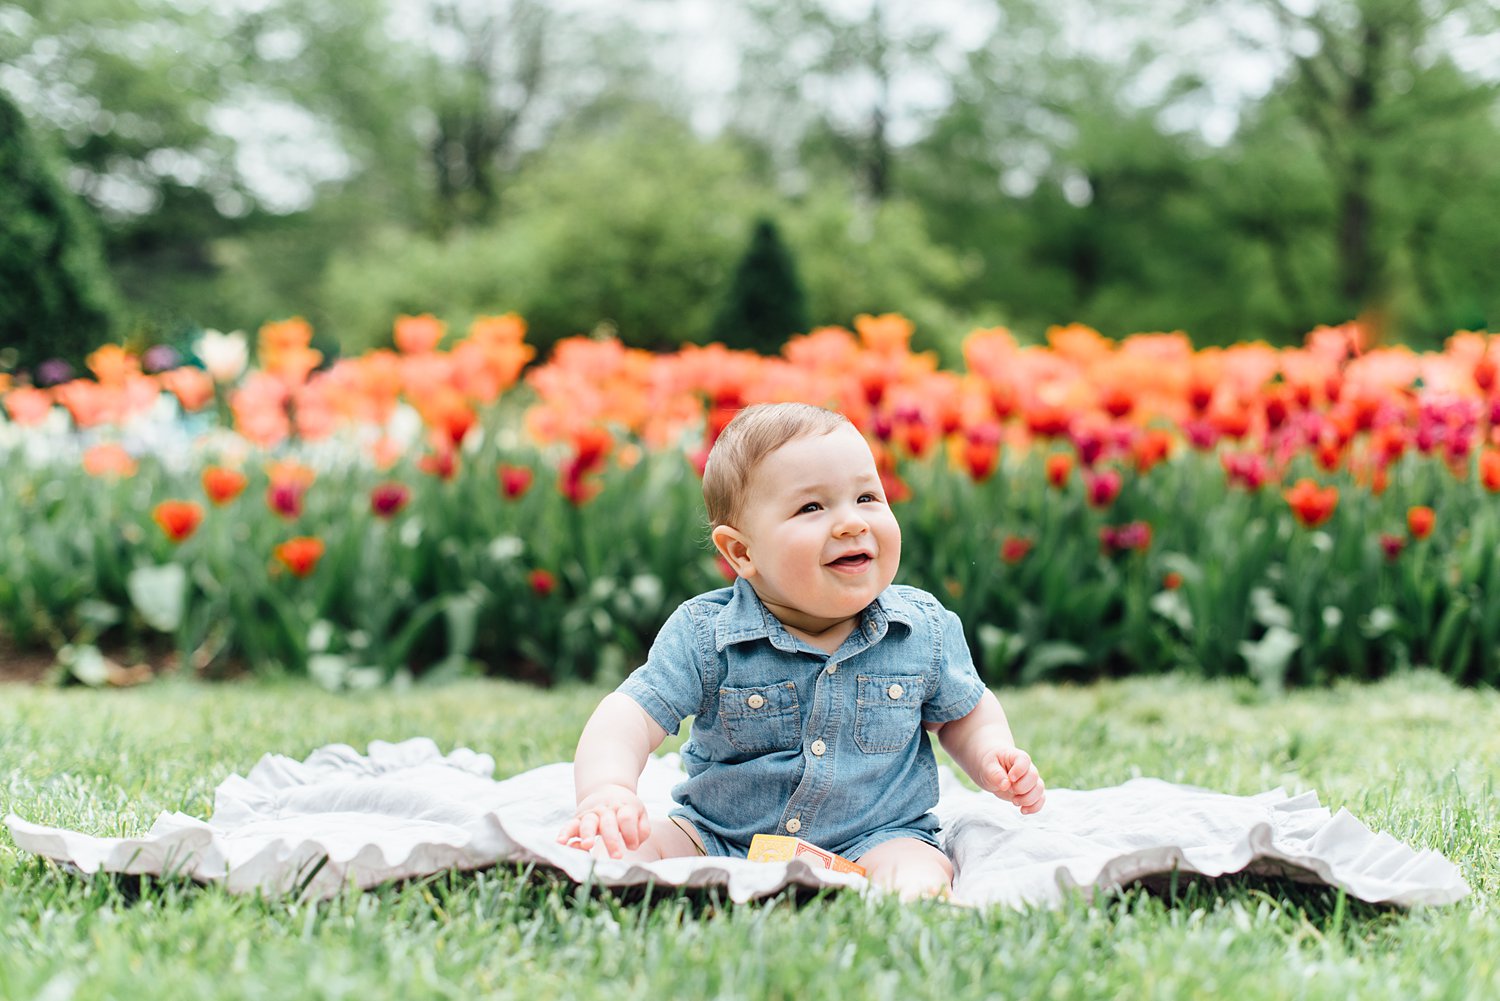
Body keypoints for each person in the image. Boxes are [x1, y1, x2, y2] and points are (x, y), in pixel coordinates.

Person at [556, 402, 1045, 898]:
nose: (851, 522)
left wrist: (991, 754)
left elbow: (964, 712)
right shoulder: (707, 634)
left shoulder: (921, 628)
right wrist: (608, 791)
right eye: (812, 507)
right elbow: (629, 716)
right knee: (616, 857)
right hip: (720, 836)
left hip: (874, 838)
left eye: (867, 497)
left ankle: (897, 902)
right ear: (742, 553)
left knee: (914, 874)